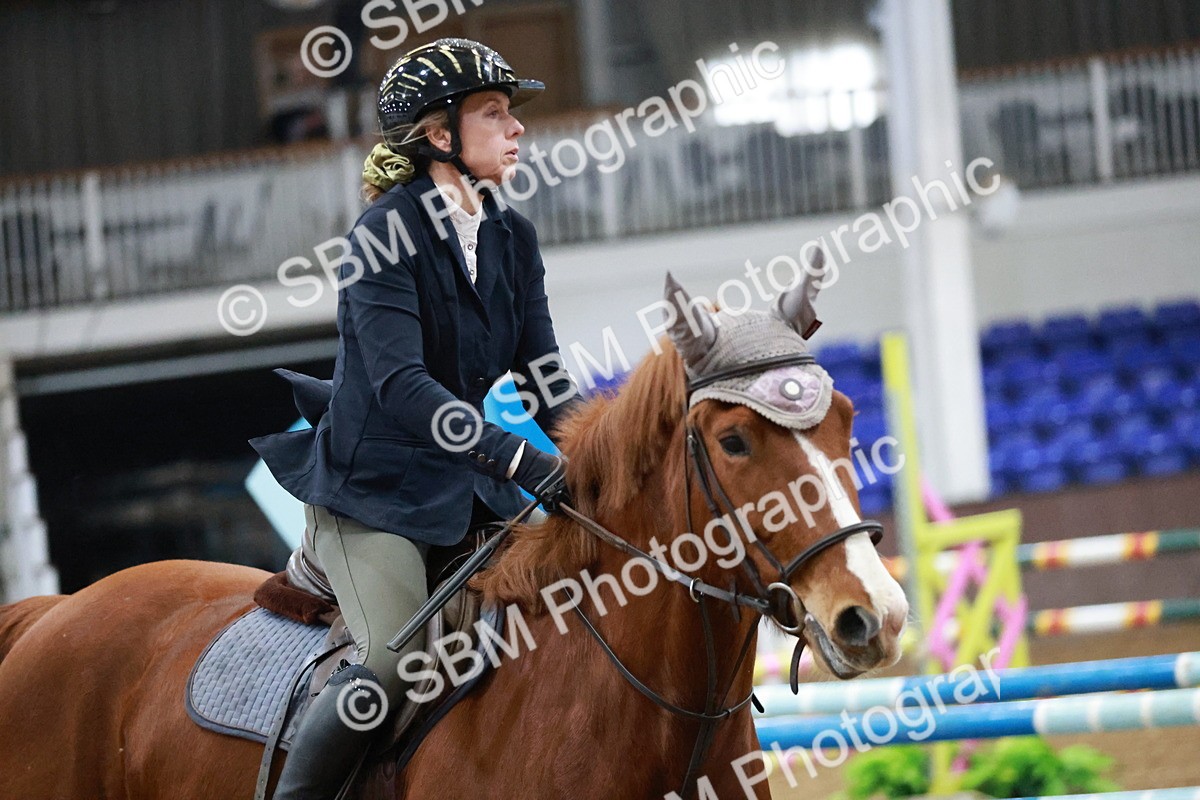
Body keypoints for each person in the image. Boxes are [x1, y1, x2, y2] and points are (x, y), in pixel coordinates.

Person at [250, 37, 582, 799]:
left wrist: (602, 449)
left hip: (470, 492)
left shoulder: (512, 236)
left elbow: (542, 376)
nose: (517, 127)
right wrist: (519, 459)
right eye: (493, 113)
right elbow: (403, 388)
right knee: (391, 665)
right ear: (439, 134)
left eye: (510, 113)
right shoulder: (382, 236)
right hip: (375, 495)